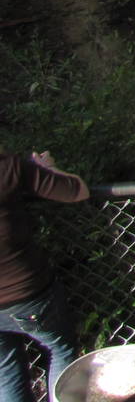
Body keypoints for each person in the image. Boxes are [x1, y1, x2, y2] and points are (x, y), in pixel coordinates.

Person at [1, 149, 88, 402]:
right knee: (61, 350)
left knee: (5, 370)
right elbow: (75, 190)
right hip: (27, 292)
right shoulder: (10, 168)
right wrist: (46, 168)